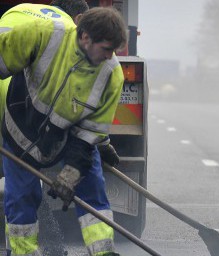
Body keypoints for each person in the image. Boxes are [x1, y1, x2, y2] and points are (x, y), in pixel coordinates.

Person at [0, 6, 127, 256]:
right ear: (85, 37)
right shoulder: (44, 34)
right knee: (21, 198)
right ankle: (24, 252)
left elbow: (89, 134)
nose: (110, 56)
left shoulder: (112, 74)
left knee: (93, 189)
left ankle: (103, 252)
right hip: (20, 132)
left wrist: (71, 174)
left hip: (69, 137)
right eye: (106, 49)